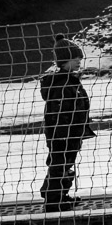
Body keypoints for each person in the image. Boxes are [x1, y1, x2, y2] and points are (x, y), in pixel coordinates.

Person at [39, 33, 95, 211]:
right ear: (64, 60)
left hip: (72, 132)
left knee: (65, 163)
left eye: (80, 58)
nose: (79, 61)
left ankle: (59, 195)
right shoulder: (61, 83)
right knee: (60, 164)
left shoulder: (70, 80)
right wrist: (64, 132)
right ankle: (54, 200)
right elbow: (59, 112)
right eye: (75, 58)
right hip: (62, 134)